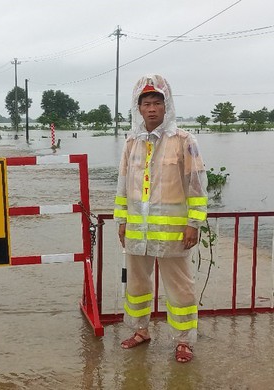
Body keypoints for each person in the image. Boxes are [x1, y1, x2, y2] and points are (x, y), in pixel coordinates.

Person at [114, 74, 208, 363]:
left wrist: (193, 224)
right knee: (137, 285)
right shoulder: (132, 142)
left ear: (166, 107)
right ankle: (140, 331)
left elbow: (196, 184)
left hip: (173, 234)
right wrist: (122, 221)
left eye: (157, 103)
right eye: (146, 103)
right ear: (138, 108)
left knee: (180, 288)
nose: (152, 108)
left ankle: (183, 341)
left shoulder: (183, 141)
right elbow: (122, 185)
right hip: (138, 233)